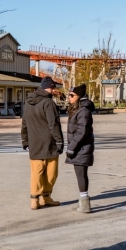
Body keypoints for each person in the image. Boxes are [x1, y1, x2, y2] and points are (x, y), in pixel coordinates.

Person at [21, 77, 65, 210]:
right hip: (49, 142)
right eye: (53, 88)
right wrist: (59, 141)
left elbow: (24, 123)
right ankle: (46, 197)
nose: (53, 90)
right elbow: (54, 124)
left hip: (34, 143)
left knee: (36, 171)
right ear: (49, 87)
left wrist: (25, 140)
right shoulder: (48, 103)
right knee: (51, 172)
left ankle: (34, 200)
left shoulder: (28, 103)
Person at [65, 84, 95, 213]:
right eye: (69, 95)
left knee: (81, 175)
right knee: (80, 175)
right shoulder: (78, 109)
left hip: (81, 148)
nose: (69, 98)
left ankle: (85, 204)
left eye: (72, 96)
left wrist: (72, 147)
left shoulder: (83, 111)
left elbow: (81, 131)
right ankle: (83, 202)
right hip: (79, 147)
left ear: (79, 97)